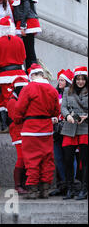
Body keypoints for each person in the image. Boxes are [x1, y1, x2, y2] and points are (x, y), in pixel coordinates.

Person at [13, 63, 61, 199]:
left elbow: (19, 109)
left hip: (31, 128)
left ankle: (33, 190)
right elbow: (56, 111)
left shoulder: (28, 88)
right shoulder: (52, 90)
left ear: (32, 75)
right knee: (47, 159)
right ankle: (45, 189)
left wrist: (18, 121)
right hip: (46, 128)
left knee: (32, 159)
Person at [0, 16, 27, 132]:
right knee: (20, 99)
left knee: (6, 101)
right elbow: (24, 57)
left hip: (5, 76)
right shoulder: (19, 40)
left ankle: (9, 125)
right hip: (20, 74)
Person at [60, 66, 88, 200]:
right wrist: (67, 116)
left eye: (83, 79)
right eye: (78, 79)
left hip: (85, 127)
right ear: (75, 79)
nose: (80, 81)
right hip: (69, 127)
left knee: (85, 160)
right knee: (68, 159)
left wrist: (86, 116)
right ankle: (70, 188)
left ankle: (84, 188)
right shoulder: (67, 91)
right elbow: (63, 107)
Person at [49, 68, 74, 196]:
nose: (59, 82)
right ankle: (63, 183)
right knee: (58, 158)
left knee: (69, 158)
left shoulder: (71, 95)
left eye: (62, 80)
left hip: (68, 129)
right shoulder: (55, 93)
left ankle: (72, 184)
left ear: (68, 82)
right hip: (56, 131)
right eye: (59, 79)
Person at [12, 0, 41, 69]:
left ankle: (32, 71)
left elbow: (26, 9)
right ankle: (30, 70)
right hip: (25, 23)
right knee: (27, 50)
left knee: (29, 50)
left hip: (27, 24)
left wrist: (23, 25)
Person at [7, 76, 30, 194]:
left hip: (24, 131)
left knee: (26, 158)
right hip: (17, 132)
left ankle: (24, 183)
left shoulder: (20, 100)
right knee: (21, 158)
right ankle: (18, 185)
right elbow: (16, 118)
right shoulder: (12, 101)